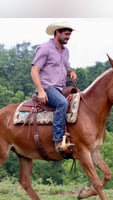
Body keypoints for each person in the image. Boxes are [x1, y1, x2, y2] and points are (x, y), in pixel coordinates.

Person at [31, 21, 78, 153]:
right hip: (47, 87)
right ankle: (58, 141)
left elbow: (61, 67)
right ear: (57, 33)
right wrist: (40, 91)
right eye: (66, 34)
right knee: (62, 103)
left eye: (69, 35)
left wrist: (70, 72)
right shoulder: (45, 49)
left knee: (80, 100)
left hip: (61, 87)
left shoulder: (65, 51)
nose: (68, 37)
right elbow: (35, 70)